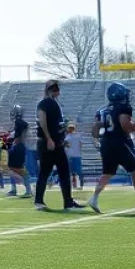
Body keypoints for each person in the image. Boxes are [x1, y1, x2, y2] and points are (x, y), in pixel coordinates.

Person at [88, 81, 135, 215]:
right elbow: (125, 125)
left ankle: (94, 198)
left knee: (107, 173)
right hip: (120, 142)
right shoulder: (124, 107)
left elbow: (95, 133)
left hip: (106, 143)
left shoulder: (101, 110)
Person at [33, 80, 82, 211]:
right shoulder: (43, 103)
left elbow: (56, 124)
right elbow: (42, 122)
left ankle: (68, 202)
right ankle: (39, 201)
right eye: (54, 89)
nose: (56, 92)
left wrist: (62, 135)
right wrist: (49, 139)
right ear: (48, 90)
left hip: (56, 142)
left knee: (64, 171)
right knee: (45, 172)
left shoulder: (55, 104)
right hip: (48, 142)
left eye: (57, 89)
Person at [6, 104, 32, 198]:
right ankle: (16, 189)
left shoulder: (19, 122)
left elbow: (24, 127)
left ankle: (27, 188)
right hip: (18, 146)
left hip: (18, 147)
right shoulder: (19, 124)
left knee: (13, 168)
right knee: (11, 168)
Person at [65, 123, 85, 191]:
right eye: (69, 128)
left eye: (71, 128)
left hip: (76, 155)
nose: (70, 129)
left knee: (79, 171)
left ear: (73, 128)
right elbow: (66, 145)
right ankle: (75, 185)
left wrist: (78, 150)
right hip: (70, 155)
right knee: (72, 171)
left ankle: (81, 185)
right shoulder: (67, 136)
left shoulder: (76, 135)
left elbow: (81, 144)